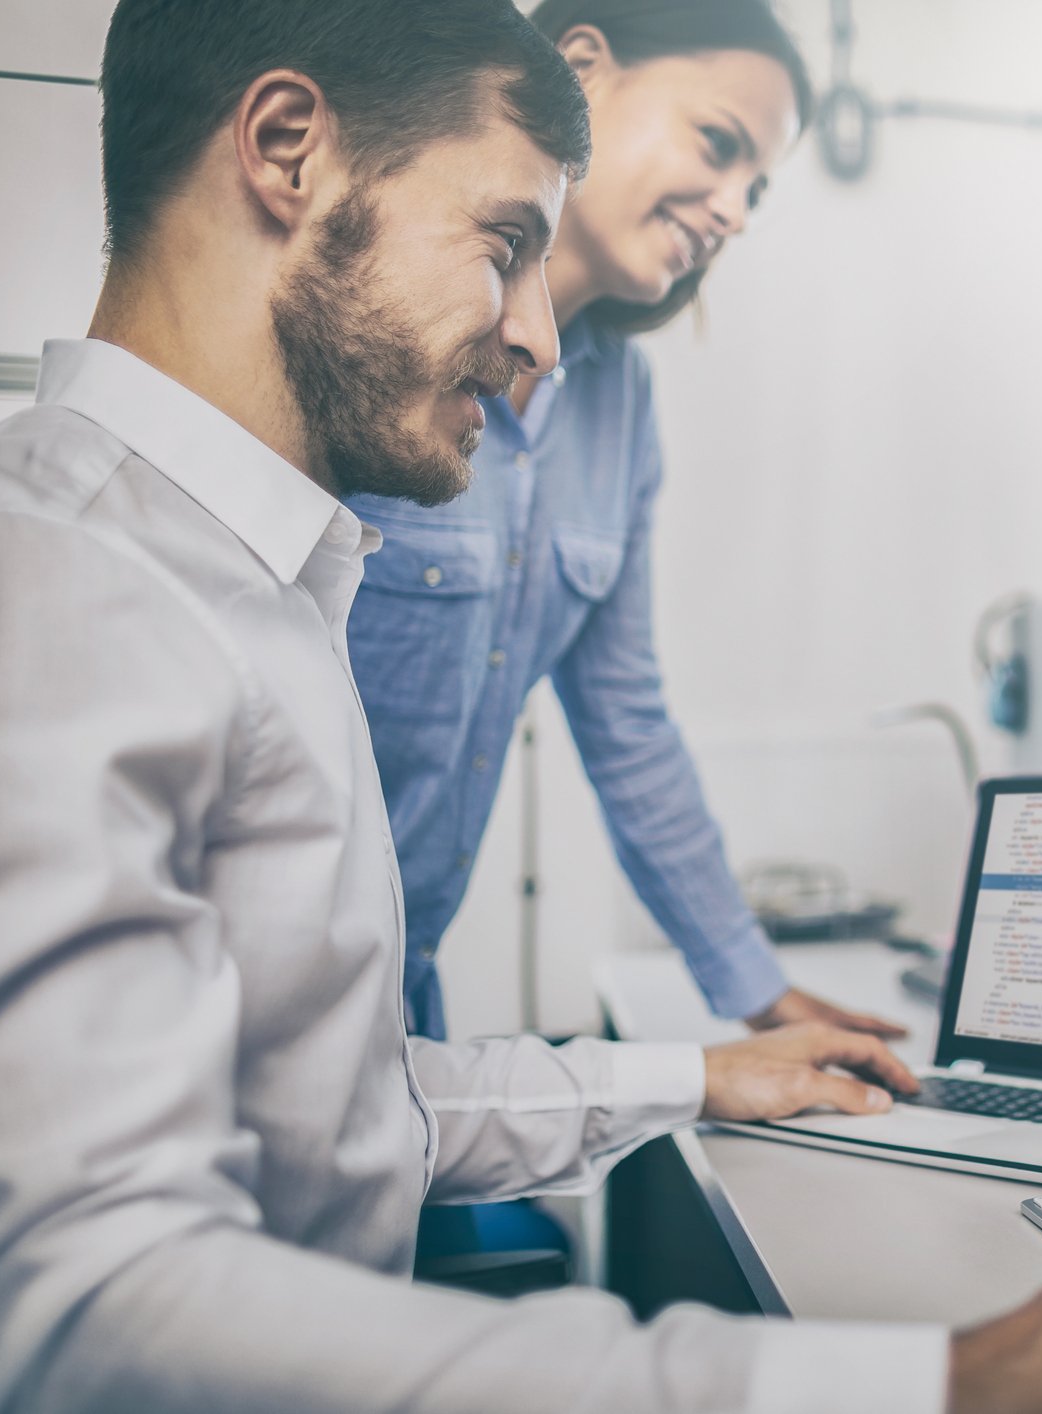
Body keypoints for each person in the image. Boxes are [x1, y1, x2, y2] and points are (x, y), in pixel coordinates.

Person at [0, 1, 1042, 1411]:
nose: (533, 347)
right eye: (506, 243)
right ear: (288, 145)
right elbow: (96, 1308)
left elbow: (351, 1112)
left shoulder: (279, 574)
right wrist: (953, 1381)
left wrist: (705, 1065)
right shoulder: (62, 583)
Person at [345, 0, 894, 1045]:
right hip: (238, 992)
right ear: (581, 71)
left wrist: (754, 989)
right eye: (719, 145)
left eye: (756, 191)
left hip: (400, 1000)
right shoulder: (374, 319)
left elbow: (627, 725)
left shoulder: (620, 405)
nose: (734, 209)